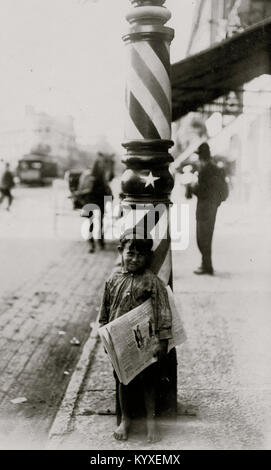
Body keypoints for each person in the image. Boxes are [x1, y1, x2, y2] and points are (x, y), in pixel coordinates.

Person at [99, 228, 172, 443]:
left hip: (146, 342)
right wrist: (105, 334)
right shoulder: (112, 280)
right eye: (130, 253)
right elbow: (104, 310)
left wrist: (162, 339)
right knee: (124, 380)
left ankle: (151, 423)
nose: (135, 259)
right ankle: (126, 420)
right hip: (120, 343)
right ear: (121, 251)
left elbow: (163, 312)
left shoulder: (152, 282)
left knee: (148, 381)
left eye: (141, 255)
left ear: (148, 257)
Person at [187, 143, 228, 275]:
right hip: (212, 206)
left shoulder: (205, 169)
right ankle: (206, 264)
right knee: (206, 236)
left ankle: (207, 266)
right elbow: (223, 190)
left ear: (202, 156)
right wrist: (217, 202)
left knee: (202, 237)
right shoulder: (216, 167)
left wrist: (191, 186)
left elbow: (202, 190)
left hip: (204, 207)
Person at [80, 154, 112, 253]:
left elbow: (106, 187)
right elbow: (85, 189)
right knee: (90, 222)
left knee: (100, 221)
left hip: (99, 199)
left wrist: (109, 194)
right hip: (90, 199)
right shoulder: (89, 177)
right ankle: (91, 242)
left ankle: (100, 241)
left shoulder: (103, 178)